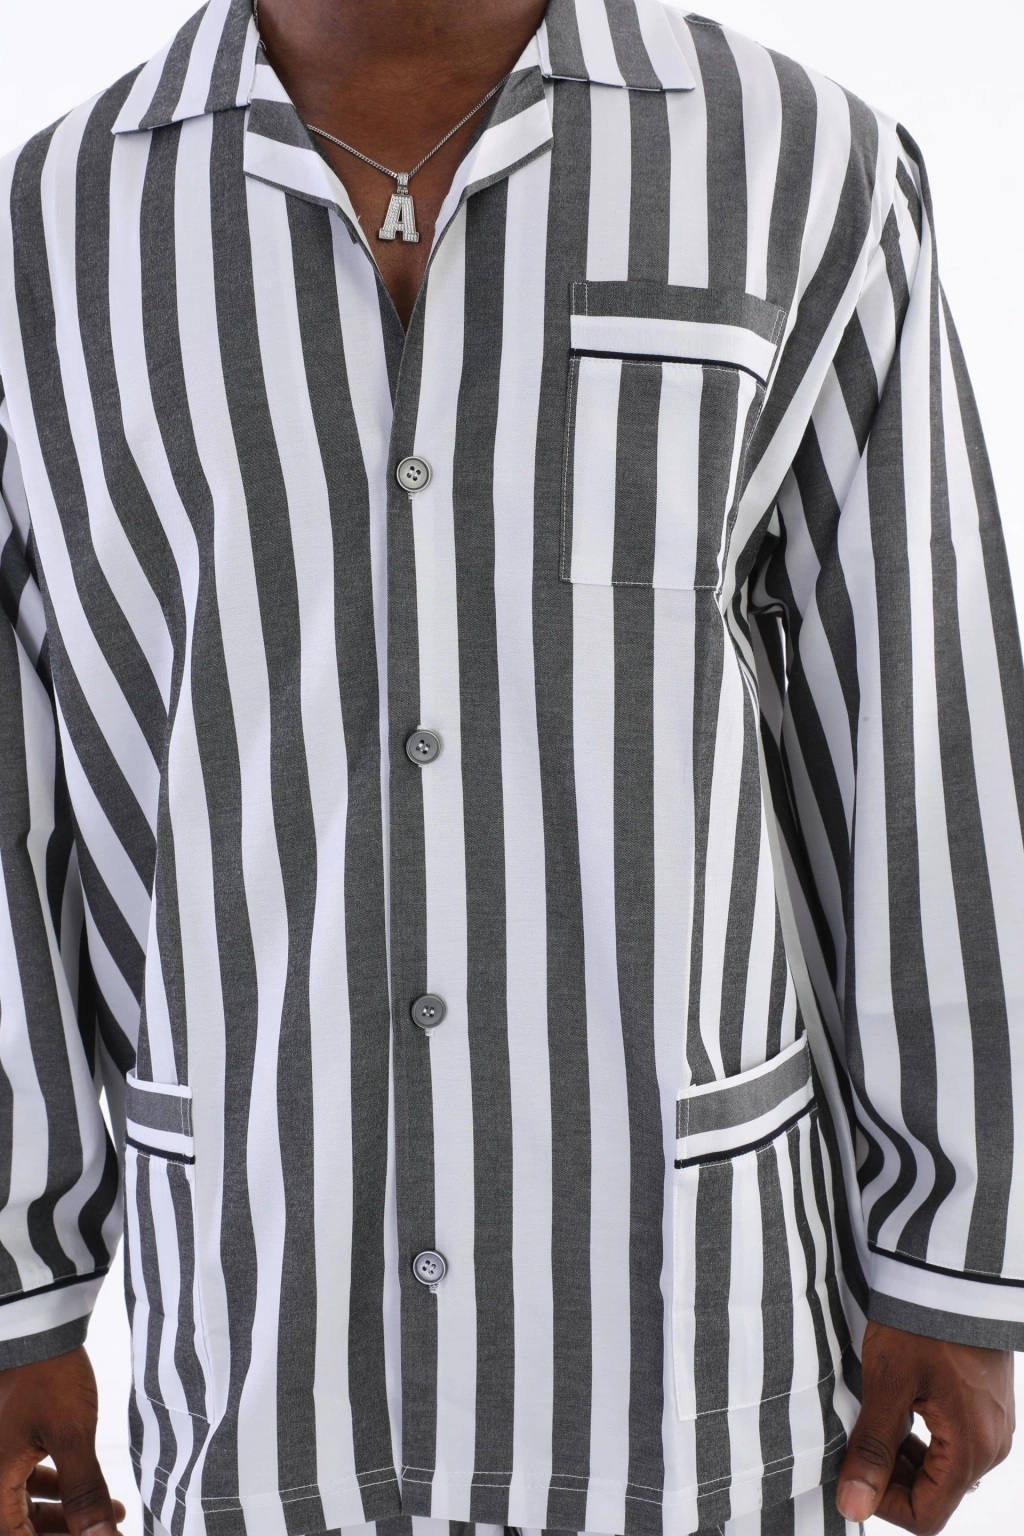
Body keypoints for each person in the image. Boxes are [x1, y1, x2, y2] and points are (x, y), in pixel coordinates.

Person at [0, 1, 1018, 1535]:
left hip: (684, 1337)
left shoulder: (800, 164)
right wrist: (17, 1289)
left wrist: (960, 1251)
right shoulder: (50, 226)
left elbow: (918, 718)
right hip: (260, 1325)